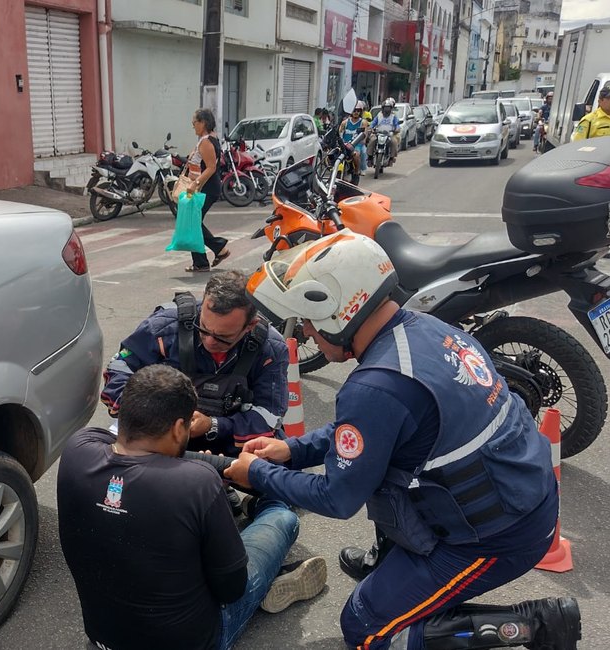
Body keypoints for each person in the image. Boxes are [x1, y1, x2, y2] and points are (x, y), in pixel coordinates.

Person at [224, 232, 582, 650]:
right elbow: (369, 434)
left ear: (339, 311)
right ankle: (400, 575)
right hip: (520, 493)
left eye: (307, 319)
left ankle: (535, 624)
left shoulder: (376, 386)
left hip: (498, 537)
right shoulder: (424, 328)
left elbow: (338, 498)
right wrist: (292, 450)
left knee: (364, 627)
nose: (304, 330)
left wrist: (260, 473)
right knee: (389, 485)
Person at [59, 364, 328, 650]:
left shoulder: (78, 449)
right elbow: (232, 588)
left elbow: (130, 452)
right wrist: (215, 474)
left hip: (104, 638)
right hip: (198, 640)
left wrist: (203, 467)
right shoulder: (197, 484)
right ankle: (270, 511)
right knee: (282, 518)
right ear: (178, 428)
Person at [101, 270, 288, 458]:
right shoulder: (163, 328)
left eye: (223, 338)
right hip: (162, 435)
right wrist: (152, 417)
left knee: (277, 469)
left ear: (250, 326)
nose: (209, 341)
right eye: (203, 329)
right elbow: (119, 369)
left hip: (232, 440)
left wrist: (212, 425)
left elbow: (268, 417)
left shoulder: (270, 349)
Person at [183, 107, 231, 272]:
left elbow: (210, 168)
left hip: (206, 188)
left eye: (194, 122)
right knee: (193, 223)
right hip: (205, 187)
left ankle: (216, 251)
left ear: (203, 123)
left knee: (192, 223)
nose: (193, 126)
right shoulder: (208, 139)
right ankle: (205, 259)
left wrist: (194, 184)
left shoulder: (206, 142)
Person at [339, 101, 369, 175]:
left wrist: (363, 140)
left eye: (358, 110)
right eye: (354, 110)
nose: (356, 112)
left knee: (357, 155)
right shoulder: (344, 122)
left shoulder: (363, 122)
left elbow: (365, 134)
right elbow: (340, 133)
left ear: (361, 112)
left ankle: (357, 170)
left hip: (356, 145)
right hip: (345, 145)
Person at [370, 100, 401, 164]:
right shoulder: (379, 116)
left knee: (394, 142)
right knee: (372, 140)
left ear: (391, 108)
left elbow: (397, 125)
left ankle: (391, 158)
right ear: (382, 108)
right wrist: (371, 128)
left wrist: (397, 129)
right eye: (385, 108)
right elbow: (373, 124)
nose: (387, 110)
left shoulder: (393, 117)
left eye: (388, 108)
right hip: (378, 134)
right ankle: (370, 157)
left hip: (389, 134)